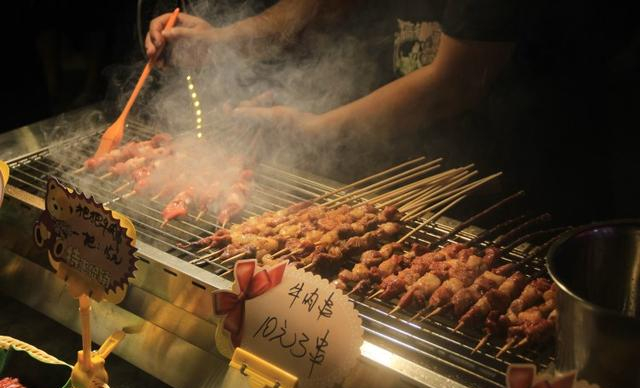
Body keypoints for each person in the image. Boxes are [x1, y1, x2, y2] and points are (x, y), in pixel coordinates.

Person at [145, 1, 639, 225]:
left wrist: (314, 129)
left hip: (520, 172)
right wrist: (221, 42)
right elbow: (318, 5)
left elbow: (456, 84)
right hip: (407, 162)